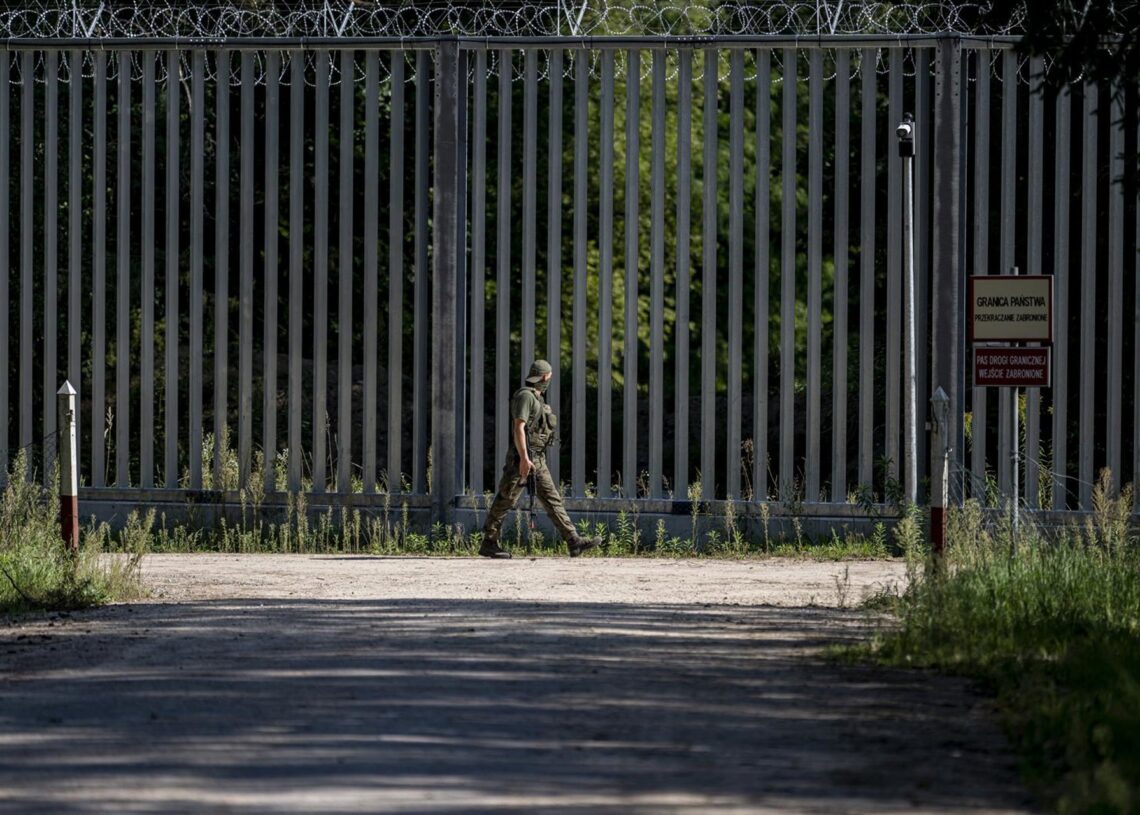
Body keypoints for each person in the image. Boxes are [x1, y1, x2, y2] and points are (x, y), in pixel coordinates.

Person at [479, 360, 603, 559]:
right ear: (545, 377)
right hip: (523, 459)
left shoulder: (537, 399)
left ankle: (573, 541)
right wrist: (523, 459)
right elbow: (518, 428)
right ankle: (489, 542)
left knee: (552, 499)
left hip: (537, 459)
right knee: (506, 498)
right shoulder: (525, 397)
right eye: (549, 376)